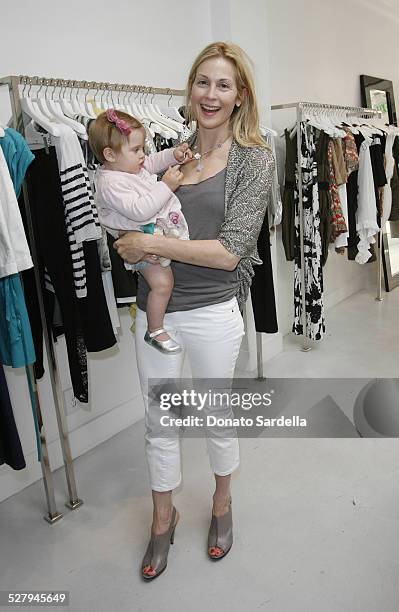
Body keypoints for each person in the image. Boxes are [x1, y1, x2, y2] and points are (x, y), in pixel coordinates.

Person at [114, 41, 275, 580]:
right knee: (158, 422)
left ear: (240, 95)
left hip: (210, 310)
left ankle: (222, 503)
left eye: (223, 84)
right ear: (190, 89)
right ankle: (164, 516)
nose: (210, 93)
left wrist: (147, 248)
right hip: (156, 313)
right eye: (202, 82)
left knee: (214, 416)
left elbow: (232, 252)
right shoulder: (172, 153)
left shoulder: (254, 159)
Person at [89, 109, 192, 354]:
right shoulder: (111, 183)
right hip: (139, 240)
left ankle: (157, 326)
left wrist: (173, 154)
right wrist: (166, 186)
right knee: (162, 285)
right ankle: (154, 330)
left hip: (150, 235)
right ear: (110, 154)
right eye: (136, 150)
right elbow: (140, 211)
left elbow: (152, 162)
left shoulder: (129, 168)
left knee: (169, 277)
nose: (142, 155)